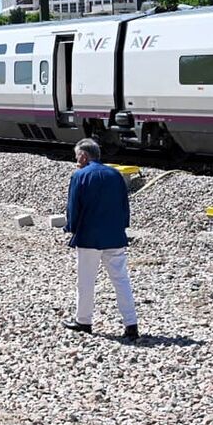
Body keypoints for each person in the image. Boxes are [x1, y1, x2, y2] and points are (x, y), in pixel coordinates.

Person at [61, 138, 139, 341]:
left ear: (84, 156)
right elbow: (124, 206)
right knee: (121, 280)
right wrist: (121, 227)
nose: (76, 160)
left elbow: (73, 208)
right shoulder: (115, 174)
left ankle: (83, 321)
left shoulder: (80, 175)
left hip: (89, 237)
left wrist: (70, 228)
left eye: (77, 156)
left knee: (86, 281)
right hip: (115, 236)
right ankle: (131, 324)